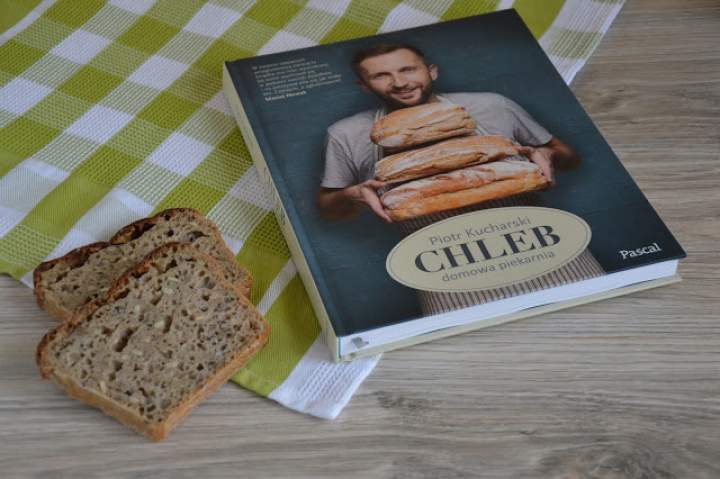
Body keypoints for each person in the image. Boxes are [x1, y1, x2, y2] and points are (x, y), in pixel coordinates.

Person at [317, 43, 603, 315]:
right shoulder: (347, 133)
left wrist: (546, 155)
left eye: (408, 70)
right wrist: (353, 194)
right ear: (364, 86)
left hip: (539, 242)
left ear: (432, 71)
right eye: (381, 75)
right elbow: (328, 208)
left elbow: (569, 157)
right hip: (443, 265)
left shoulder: (492, 105)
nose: (400, 83)